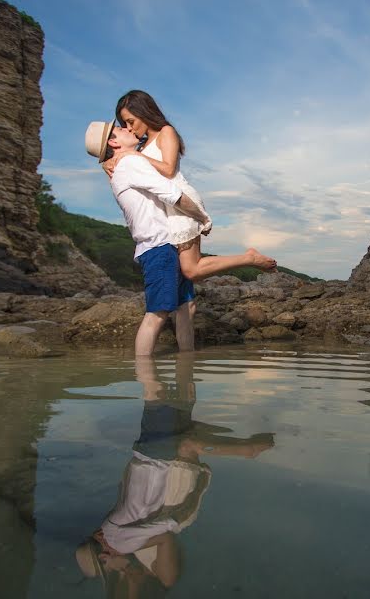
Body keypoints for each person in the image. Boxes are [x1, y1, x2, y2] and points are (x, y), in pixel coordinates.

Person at [75, 355, 275, 596]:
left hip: (154, 467)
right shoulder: (118, 541)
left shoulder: (118, 542)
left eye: (109, 570)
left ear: (105, 554)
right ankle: (182, 359)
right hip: (152, 465)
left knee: (172, 406)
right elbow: (162, 530)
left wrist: (128, 576)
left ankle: (183, 360)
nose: (115, 573)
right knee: (167, 406)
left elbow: (151, 523)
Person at [103, 90, 276, 282]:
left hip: (180, 201)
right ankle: (187, 308)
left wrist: (133, 155)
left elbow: (169, 170)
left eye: (131, 121)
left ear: (144, 112)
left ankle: (248, 258)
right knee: (184, 273)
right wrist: (110, 162)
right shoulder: (140, 147)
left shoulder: (165, 132)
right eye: (124, 123)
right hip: (166, 208)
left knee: (191, 270)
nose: (128, 128)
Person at [86, 119, 205, 356]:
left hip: (164, 246)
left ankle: (186, 369)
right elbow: (172, 194)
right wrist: (203, 217)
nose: (128, 129)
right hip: (159, 247)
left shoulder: (126, 163)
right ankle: (148, 384)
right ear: (113, 141)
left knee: (187, 306)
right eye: (121, 128)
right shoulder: (130, 163)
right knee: (157, 315)